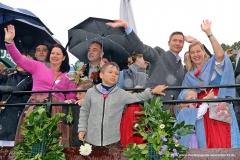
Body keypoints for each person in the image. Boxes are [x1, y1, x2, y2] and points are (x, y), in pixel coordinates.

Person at [4, 24, 77, 147]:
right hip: (36, 109)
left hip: (57, 113)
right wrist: (9, 42)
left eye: (58, 54)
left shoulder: (67, 77)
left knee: (53, 147)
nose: (55, 56)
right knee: (32, 144)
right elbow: (19, 60)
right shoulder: (38, 66)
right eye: (53, 53)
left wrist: (70, 99)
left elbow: (72, 95)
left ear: (64, 57)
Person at [78, 62, 168, 148]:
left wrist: (152, 91)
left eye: (117, 74)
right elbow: (84, 111)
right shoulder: (91, 92)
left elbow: (138, 97)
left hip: (112, 142)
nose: (114, 75)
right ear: (101, 75)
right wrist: (82, 129)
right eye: (110, 72)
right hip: (91, 140)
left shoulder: (121, 94)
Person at [180, 20, 240, 148]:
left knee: (224, 138)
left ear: (203, 52)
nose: (196, 55)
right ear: (189, 56)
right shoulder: (189, 75)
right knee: (207, 141)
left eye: (198, 51)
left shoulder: (213, 66)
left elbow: (220, 55)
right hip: (203, 108)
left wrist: (208, 32)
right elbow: (183, 94)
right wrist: (192, 96)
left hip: (220, 104)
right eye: (192, 52)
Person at [106, 20, 185, 110]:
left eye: (181, 41)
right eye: (175, 40)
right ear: (169, 43)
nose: (178, 43)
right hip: (154, 106)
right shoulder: (159, 53)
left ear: (183, 45)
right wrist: (128, 28)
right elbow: (141, 48)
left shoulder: (182, 67)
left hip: (174, 111)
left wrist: (195, 42)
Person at [0, 54, 33, 146]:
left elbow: (18, 90)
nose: (19, 62)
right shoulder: (10, 76)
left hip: (17, 115)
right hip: (3, 114)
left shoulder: (31, 78)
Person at [118, 53, 149, 147]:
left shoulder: (148, 76)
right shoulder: (122, 73)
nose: (148, 61)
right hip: (128, 111)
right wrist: (134, 90)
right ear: (138, 58)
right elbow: (117, 95)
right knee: (128, 143)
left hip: (145, 112)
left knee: (143, 145)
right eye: (145, 58)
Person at [63, 80, 94, 147]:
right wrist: (66, 106)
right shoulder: (75, 105)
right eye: (77, 93)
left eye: (80, 93)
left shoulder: (96, 105)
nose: (77, 96)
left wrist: (87, 103)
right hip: (77, 142)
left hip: (93, 143)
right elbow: (67, 121)